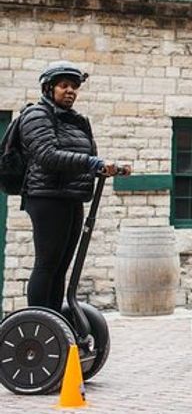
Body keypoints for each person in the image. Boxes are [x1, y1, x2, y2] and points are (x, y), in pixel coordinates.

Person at [20, 61, 130, 311]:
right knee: (47, 264)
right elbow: (47, 155)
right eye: (64, 85)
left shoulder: (77, 120)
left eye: (74, 87)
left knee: (61, 267)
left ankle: (54, 319)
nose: (70, 91)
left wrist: (108, 167)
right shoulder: (37, 115)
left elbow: (89, 155)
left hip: (72, 196)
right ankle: (38, 320)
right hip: (47, 198)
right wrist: (93, 163)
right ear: (49, 88)